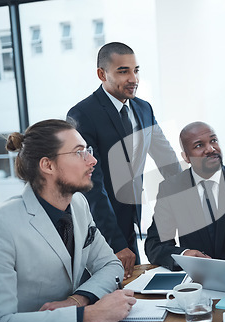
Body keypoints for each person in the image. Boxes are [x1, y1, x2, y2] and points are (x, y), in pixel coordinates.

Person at [0, 120, 136, 322]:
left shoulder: (78, 205)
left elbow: (110, 265)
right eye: (79, 152)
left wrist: (78, 300)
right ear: (47, 165)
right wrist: (88, 315)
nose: (92, 160)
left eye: (88, 151)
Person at [67, 42, 182, 277]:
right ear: (102, 74)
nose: (133, 78)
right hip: (100, 230)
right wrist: (116, 243)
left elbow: (167, 159)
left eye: (136, 70)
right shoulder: (82, 115)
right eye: (123, 71)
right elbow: (92, 185)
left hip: (132, 220)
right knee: (107, 295)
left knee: (135, 292)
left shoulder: (143, 109)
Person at [145, 122, 225, 270]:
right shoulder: (171, 189)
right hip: (194, 279)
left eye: (213, 141)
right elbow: (155, 244)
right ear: (186, 157)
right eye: (199, 145)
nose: (210, 149)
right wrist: (184, 255)